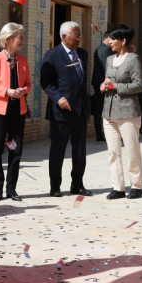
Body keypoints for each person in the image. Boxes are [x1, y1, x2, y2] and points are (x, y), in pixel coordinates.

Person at [39, 21, 92, 197]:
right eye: (76, 36)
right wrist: (59, 98)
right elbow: (46, 82)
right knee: (58, 150)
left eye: (79, 36)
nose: (79, 39)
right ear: (64, 37)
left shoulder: (82, 54)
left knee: (80, 150)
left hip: (80, 110)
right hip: (61, 112)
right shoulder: (52, 55)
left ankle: (77, 184)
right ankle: (55, 186)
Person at [0, 23, 30, 201]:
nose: (22, 40)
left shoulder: (23, 61)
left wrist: (24, 90)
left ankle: (11, 189)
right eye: (19, 37)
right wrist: (7, 92)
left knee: (15, 150)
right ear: (9, 39)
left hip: (18, 111)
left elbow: (28, 84)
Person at [100, 24, 142, 199]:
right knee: (113, 152)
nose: (110, 41)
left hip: (128, 112)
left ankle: (136, 185)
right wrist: (104, 85)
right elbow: (107, 80)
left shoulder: (133, 59)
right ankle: (118, 187)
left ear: (123, 40)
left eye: (113, 38)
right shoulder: (109, 59)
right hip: (109, 112)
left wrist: (116, 86)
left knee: (132, 151)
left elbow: (139, 85)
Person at [91, 34, 113, 143]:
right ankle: (102, 133)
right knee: (103, 108)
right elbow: (107, 68)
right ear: (106, 38)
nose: (112, 41)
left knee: (98, 108)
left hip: (97, 82)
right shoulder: (106, 50)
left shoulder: (99, 48)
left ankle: (99, 133)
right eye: (111, 38)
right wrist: (111, 84)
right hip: (103, 83)